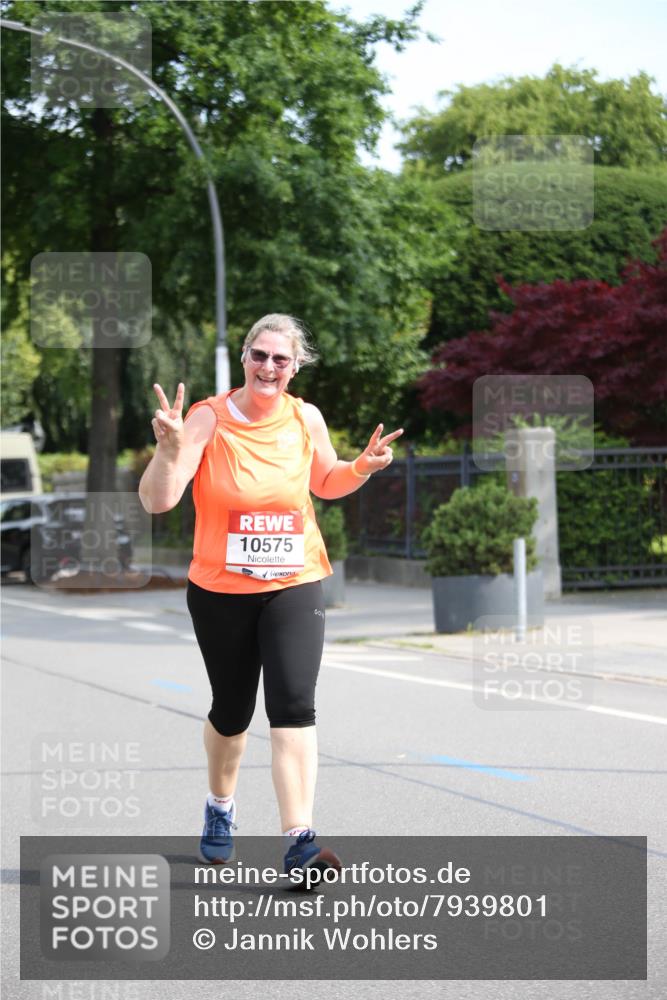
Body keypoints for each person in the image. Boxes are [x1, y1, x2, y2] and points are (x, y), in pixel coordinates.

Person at [138, 313, 403, 873]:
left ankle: (299, 840)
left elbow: (326, 481)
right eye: (259, 355)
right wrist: (168, 448)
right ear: (244, 358)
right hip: (220, 590)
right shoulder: (207, 420)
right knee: (232, 713)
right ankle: (219, 806)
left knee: (294, 708)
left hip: (295, 580)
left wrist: (362, 467)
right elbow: (158, 501)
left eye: (280, 359)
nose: (268, 366)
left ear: (295, 366)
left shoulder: (305, 416)